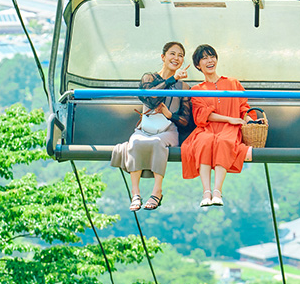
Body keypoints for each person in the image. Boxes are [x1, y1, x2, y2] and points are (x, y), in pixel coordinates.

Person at [110, 41, 192, 211]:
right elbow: (150, 98)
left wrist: (170, 115)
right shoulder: (149, 78)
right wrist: (172, 79)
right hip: (145, 129)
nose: (176, 58)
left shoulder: (184, 87)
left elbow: (185, 120)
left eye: (180, 55)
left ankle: (157, 191)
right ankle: (135, 193)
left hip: (167, 130)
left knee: (157, 143)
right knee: (135, 142)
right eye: (172, 54)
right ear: (163, 57)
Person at [181, 44, 263, 207]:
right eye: (204, 58)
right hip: (208, 127)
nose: (209, 60)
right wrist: (229, 118)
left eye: (212, 56)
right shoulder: (197, 89)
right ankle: (206, 192)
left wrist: (249, 120)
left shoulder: (233, 83)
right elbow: (202, 115)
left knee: (224, 142)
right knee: (204, 141)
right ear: (198, 65)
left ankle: (217, 192)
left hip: (229, 129)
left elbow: (243, 107)